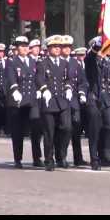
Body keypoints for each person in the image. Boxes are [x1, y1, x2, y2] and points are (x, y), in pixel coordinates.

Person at [36, 35, 73, 171]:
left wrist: (69, 88)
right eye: (55, 47)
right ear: (49, 48)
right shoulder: (42, 63)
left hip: (62, 101)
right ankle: (49, 159)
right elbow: (39, 79)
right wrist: (44, 89)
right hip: (49, 101)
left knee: (66, 128)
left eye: (59, 47)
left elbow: (68, 78)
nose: (58, 49)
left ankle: (61, 155)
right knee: (49, 133)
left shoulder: (64, 63)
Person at [5, 36, 43, 168]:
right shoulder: (12, 62)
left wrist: (40, 89)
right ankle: (18, 158)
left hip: (32, 99)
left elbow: (38, 77)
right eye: (21, 46)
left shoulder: (33, 61)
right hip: (18, 100)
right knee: (18, 131)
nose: (25, 48)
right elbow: (11, 77)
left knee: (36, 128)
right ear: (17, 48)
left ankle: (37, 157)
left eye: (26, 45)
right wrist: (14, 89)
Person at [85, 37, 110, 169]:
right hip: (93, 97)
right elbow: (90, 57)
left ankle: (106, 154)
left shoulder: (106, 61)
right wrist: (97, 46)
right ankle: (94, 159)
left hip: (106, 97)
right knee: (95, 130)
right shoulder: (91, 60)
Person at [59, 35, 89, 167]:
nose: (66, 49)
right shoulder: (56, 61)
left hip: (74, 100)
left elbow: (82, 81)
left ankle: (78, 158)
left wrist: (82, 93)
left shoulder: (74, 63)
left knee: (76, 128)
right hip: (61, 100)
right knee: (65, 129)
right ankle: (61, 156)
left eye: (68, 47)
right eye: (64, 47)